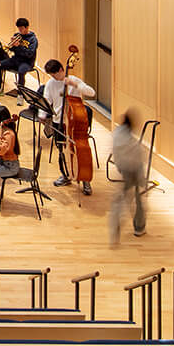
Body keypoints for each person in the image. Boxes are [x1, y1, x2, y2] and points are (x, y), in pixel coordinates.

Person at [42, 59, 99, 194]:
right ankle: (66, 175)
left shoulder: (74, 80)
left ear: (62, 70)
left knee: (80, 150)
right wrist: (42, 115)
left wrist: (75, 85)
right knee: (61, 149)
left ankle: (85, 179)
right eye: (51, 75)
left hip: (75, 123)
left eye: (55, 75)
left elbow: (92, 93)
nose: (54, 78)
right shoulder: (50, 84)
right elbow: (46, 100)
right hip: (59, 121)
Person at [108, 107, 148, 245]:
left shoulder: (117, 133)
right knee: (137, 198)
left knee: (122, 198)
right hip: (133, 170)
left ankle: (116, 223)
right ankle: (139, 227)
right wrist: (142, 179)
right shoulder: (129, 139)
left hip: (122, 168)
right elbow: (138, 157)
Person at [0, 16, 38, 92]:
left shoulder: (33, 39)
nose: (20, 31)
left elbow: (29, 54)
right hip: (16, 59)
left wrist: (19, 46)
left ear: (27, 27)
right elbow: (12, 49)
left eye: (21, 29)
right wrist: (12, 45)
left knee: (21, 71)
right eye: (19, 29)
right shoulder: (17, 35)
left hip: (27, 62)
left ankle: (20, 94)